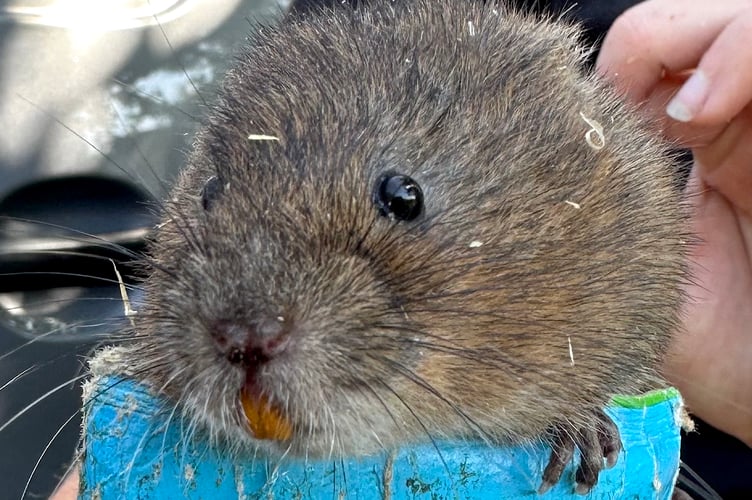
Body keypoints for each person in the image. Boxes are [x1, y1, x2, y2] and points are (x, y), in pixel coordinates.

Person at [53, 0, 752, 497]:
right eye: (213, 199)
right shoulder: (321, 46)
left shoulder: (597, 176)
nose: (248, 332)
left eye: (400, 202)